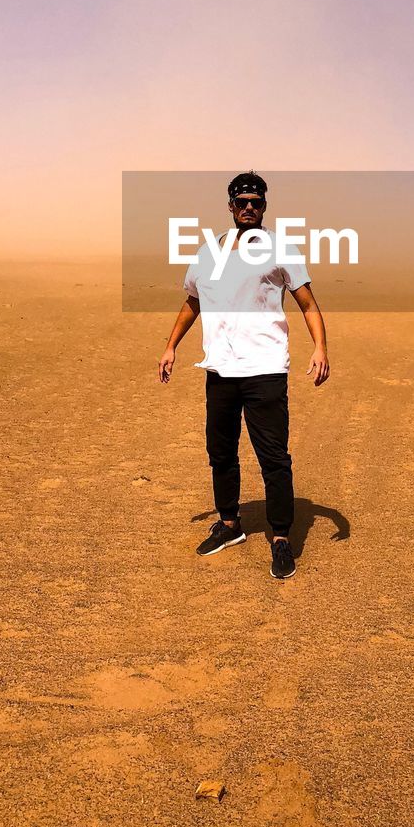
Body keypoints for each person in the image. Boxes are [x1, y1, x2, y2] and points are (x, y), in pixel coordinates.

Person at [158, 171, 330, 579]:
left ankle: (282, 538)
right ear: (231, 206)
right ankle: (230, 524)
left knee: (273, 458)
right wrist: (170, 346)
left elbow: (307, 302)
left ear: (264, 206)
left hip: (265, 369)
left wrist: (321, 347)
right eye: (242, 201)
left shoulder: (279, 249)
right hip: (220, 369)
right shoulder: (207, 252)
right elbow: (191, 303)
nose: (249, 207)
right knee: (220, 452)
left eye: (256, 201)